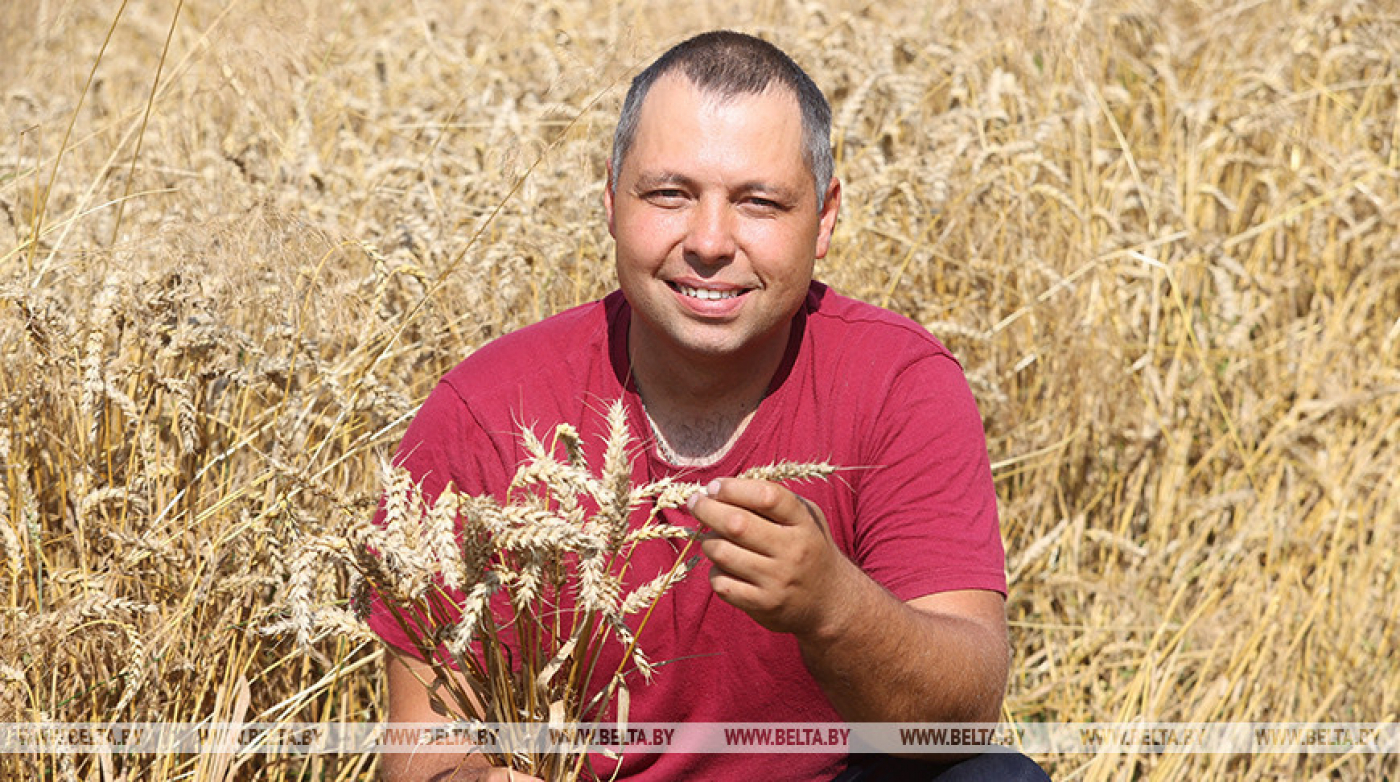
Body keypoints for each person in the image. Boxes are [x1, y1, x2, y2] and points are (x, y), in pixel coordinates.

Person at [372, 30, 1049, 782]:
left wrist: (833, 606)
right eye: (670, 194)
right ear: (610, 197)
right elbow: (426, 750)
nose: (710, 241)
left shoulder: (898, 382)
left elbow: (962, 720)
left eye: (759, 203)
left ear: (824, 219)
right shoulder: (486, 410)